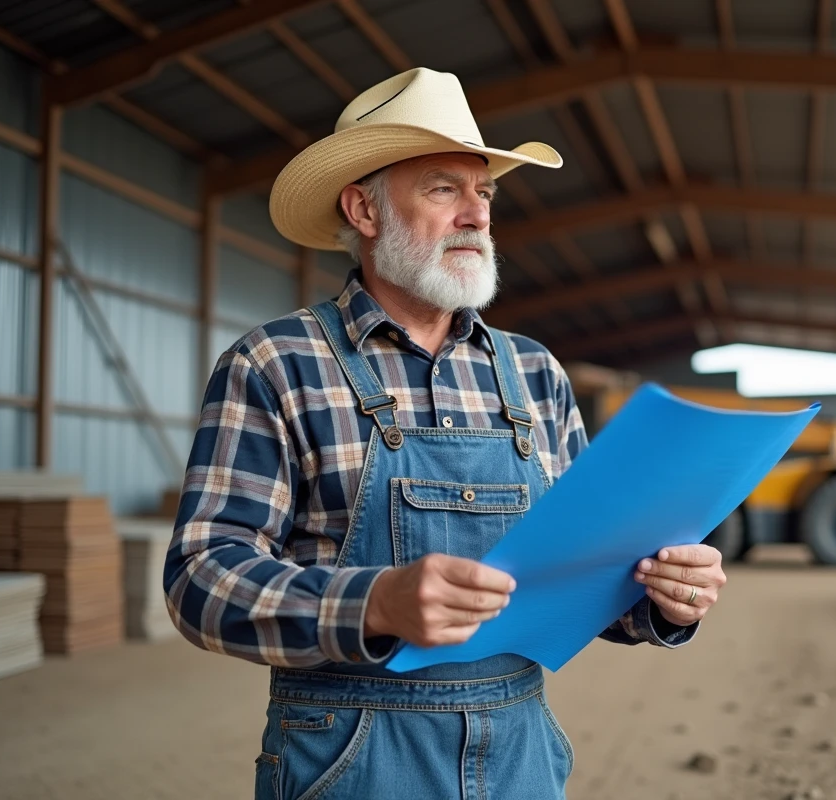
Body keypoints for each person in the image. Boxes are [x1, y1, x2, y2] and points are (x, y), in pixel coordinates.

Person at [164, 67, 728, 800]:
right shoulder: (276, 363)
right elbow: (200, 578)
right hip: (350, 755)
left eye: (484, 191)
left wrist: (658, 597)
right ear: (363, 209)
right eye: (443, 188)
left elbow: (584, 574)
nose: (476, 215)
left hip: (520, 751)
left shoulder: (535, 373)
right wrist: (375, 603)